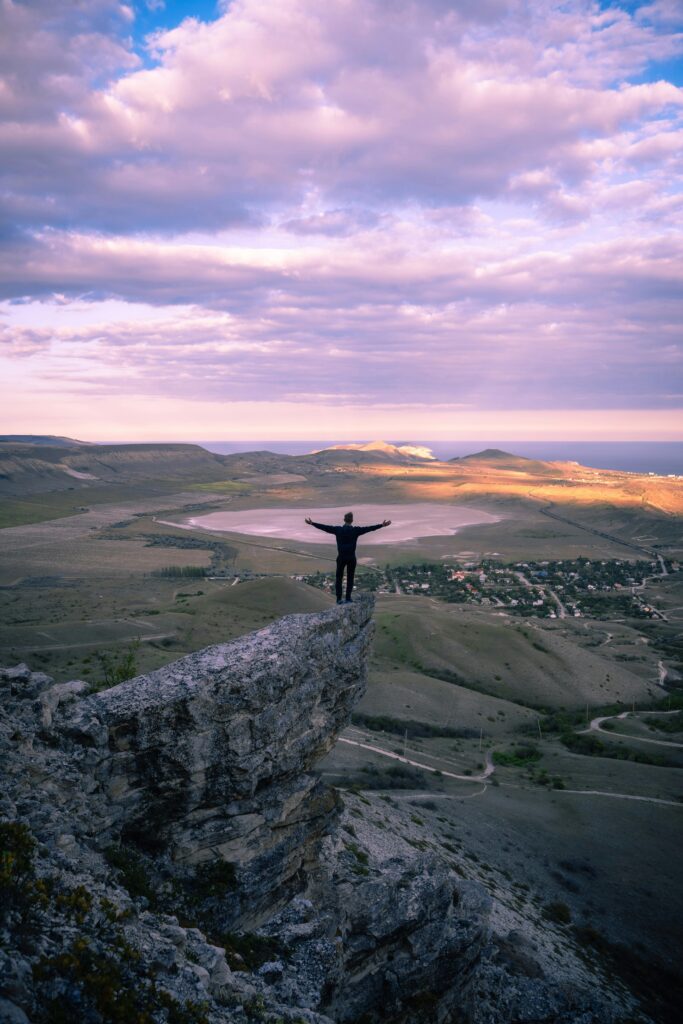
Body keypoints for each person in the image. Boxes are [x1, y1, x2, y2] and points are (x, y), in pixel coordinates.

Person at [305, 511, 391, 604]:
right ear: (352, 521)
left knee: (339, 578)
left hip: (341, 558)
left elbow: (325, 527)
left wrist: (312, 523)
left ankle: (338, 599)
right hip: (351, 558)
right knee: (350, 578)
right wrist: (381, 525)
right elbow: (369, 529)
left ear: (344, 520)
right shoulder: (355, 531)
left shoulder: (338, 530)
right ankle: (348, 598)